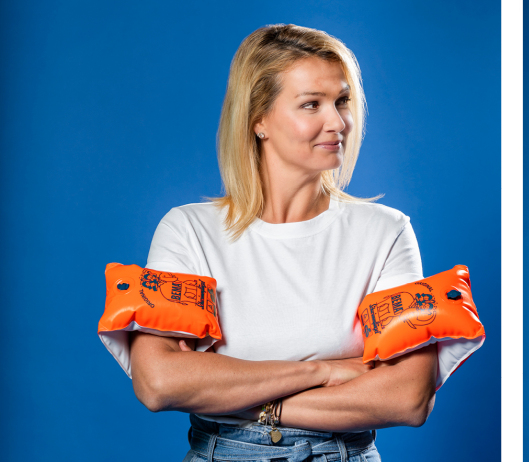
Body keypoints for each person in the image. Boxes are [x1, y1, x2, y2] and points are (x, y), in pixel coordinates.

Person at [127, 24, 437, 462]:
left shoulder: (386, 232)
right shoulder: (187, 232)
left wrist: (237, 393)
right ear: (258, 120)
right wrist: (325, 370)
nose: (337, 122)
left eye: (342, 101)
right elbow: (159, 383)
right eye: (312, 104)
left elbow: (408, 396)